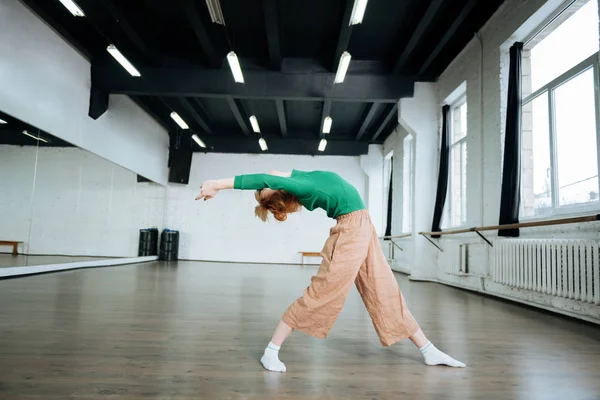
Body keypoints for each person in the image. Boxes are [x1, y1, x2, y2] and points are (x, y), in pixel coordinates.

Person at [196, 169, 465, 372]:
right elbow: (264, 177)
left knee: (384, 289)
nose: (273, 179)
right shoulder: (301, 185)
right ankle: (271, 351)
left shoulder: (298, 176)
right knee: (322, 293)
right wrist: (216, 184)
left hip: (363, 227)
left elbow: (271, 174)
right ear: (284, 191)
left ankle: (428, 350)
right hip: (350, 231)